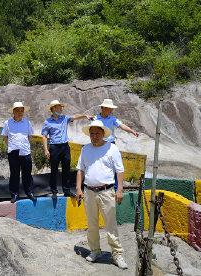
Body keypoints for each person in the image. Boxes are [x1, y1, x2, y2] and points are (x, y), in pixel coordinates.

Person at [75, 120, 128, 269]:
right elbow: (80, 170)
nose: (94, 136)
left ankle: (117, 255)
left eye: (97, 133)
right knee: (92, 225)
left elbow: (119, 170)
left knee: (111, 225)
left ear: (103, 133)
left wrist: (120, 190)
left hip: (107, 192)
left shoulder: (112, 149)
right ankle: (95, 251)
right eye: (92, 133)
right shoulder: (85, 149)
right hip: (89, 192)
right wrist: (79, 189)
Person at [41, 100, 94, 199]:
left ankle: (67, 191)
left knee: (66, 169)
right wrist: (46, 150)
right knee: (54, 170)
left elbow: (75, 116)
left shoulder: (64, 118)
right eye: (59, 107)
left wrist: (85, 115)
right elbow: (44, 136)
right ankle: (54, 191)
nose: (61, 108)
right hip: (54, 147)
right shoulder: (47, 122)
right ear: (53, 108)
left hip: (65, 147)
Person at [94, 99, 140, 191]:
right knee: (99, 165)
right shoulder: (95, 119)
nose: (111, 111)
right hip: (99, 144)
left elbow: (121, 125)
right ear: (103, 108)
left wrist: (132, 131)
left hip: (110, 144)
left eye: (112, 109)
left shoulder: (112, 118)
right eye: (109, 109)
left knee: (114, 165)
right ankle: (99, 185)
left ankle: (115, 188)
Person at [2, 102, 36, 203]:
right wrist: (11, 146)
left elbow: (30, 135)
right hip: (13, 151)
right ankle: (15, 194)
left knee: (27, 173)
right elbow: (5, 137)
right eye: (18, 111)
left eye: (22, 111)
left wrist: (25, 145)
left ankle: (29, 193)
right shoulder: (7, 123)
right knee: (14, 173)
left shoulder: (27, 122)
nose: (20, 113)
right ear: (13, 112)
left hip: (25, 151)